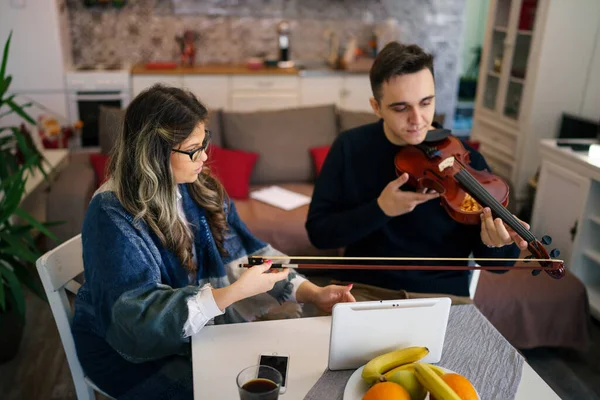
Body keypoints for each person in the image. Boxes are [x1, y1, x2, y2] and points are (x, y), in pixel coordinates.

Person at [70, 84, 355, 399]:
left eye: (204, 143)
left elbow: (251, 255)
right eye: (194, 149)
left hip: (196, 333)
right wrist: (230, 294)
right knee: (230, 390)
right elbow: (134, 321)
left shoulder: (198, 187)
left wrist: (313, 292)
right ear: (154, 153)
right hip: (127, 354)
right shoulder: (112, 213)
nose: (204, 157)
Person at [305, 41, 530, 301]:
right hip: (364, 292)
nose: (418, 119)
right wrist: (380, 209)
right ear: (376, 107)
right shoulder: (349, 147)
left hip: (442, 297)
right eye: (401, 108)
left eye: (426, 103)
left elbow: (499, 267)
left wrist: (494, 243)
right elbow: (319, 234)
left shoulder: (467, 160)